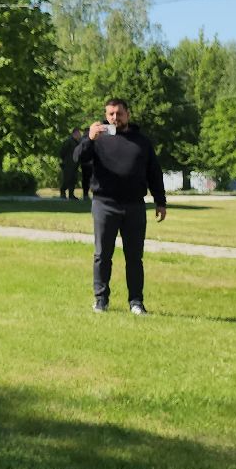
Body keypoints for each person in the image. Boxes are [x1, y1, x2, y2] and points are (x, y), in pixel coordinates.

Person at [73, 98, 168, 314]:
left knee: (134, 257)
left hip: (134, 206)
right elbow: (77, 158)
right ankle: (101, 299)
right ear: (105, 115)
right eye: (111, 114)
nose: (115, 118)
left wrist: (160, 201)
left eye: (119, 113)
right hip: (104, 204)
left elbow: (154, 172)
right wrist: (88, 138)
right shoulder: (97, 139)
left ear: (128, 114)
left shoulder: (141, 141)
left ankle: (136, 301)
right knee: (102, 255)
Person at [58, 128, 85, 199]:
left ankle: (71, 194)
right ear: (75, 133)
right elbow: (62, 152)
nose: (80, 135)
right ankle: (63, 192)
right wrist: (65, 160)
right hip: (68, 164)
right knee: (67, 179)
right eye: (79, 133)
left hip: (75, 164)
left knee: (73, 180)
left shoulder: (78, 143)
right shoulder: (69, 142)